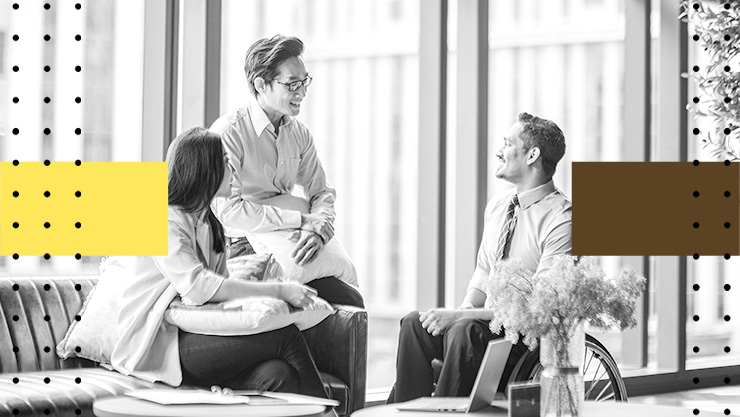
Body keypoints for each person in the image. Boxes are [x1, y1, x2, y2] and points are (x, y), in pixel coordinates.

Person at [111, 127, 328, 398]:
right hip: (157, 344)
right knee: (285, 338)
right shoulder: (162, 219)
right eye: (226, 161)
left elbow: (220, 295)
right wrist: (280, 290)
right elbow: (200, 289)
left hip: (193, 335)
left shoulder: (210, 222)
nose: (233, 169)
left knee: (277, 375)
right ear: (206, 169)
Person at [387, 112, 572, 403]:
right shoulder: (499, 206)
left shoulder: (562, 219)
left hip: (525, 341)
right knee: (414, 323)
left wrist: (462, 317)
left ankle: (443, 412)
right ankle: (406, 410)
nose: (499, 151)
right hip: (480, 327)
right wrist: (465, 307)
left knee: (464, 329)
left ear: (532, 155)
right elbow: (484, 269)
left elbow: (537, 308)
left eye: (508, 143)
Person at [210, 34, 363, 308]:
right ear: (260, 84)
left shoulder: (299, 133)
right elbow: (227, 210)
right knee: (298, 308)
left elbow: (321, 192)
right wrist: (298, 220)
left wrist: (318, 228)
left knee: (349, 301)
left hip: (290, 238)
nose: (302, 92)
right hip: (242, 244)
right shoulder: (229, 133)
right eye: (292, 84)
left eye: (305, 82)